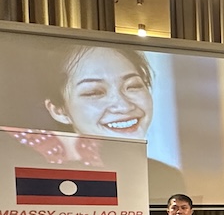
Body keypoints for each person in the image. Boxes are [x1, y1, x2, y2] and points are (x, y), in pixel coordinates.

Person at [35, 44, 183, 189]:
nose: (124, 106)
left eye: (133, 86)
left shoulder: (167, 177)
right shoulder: (48, 181)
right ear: (59, 111)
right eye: (94, 92)